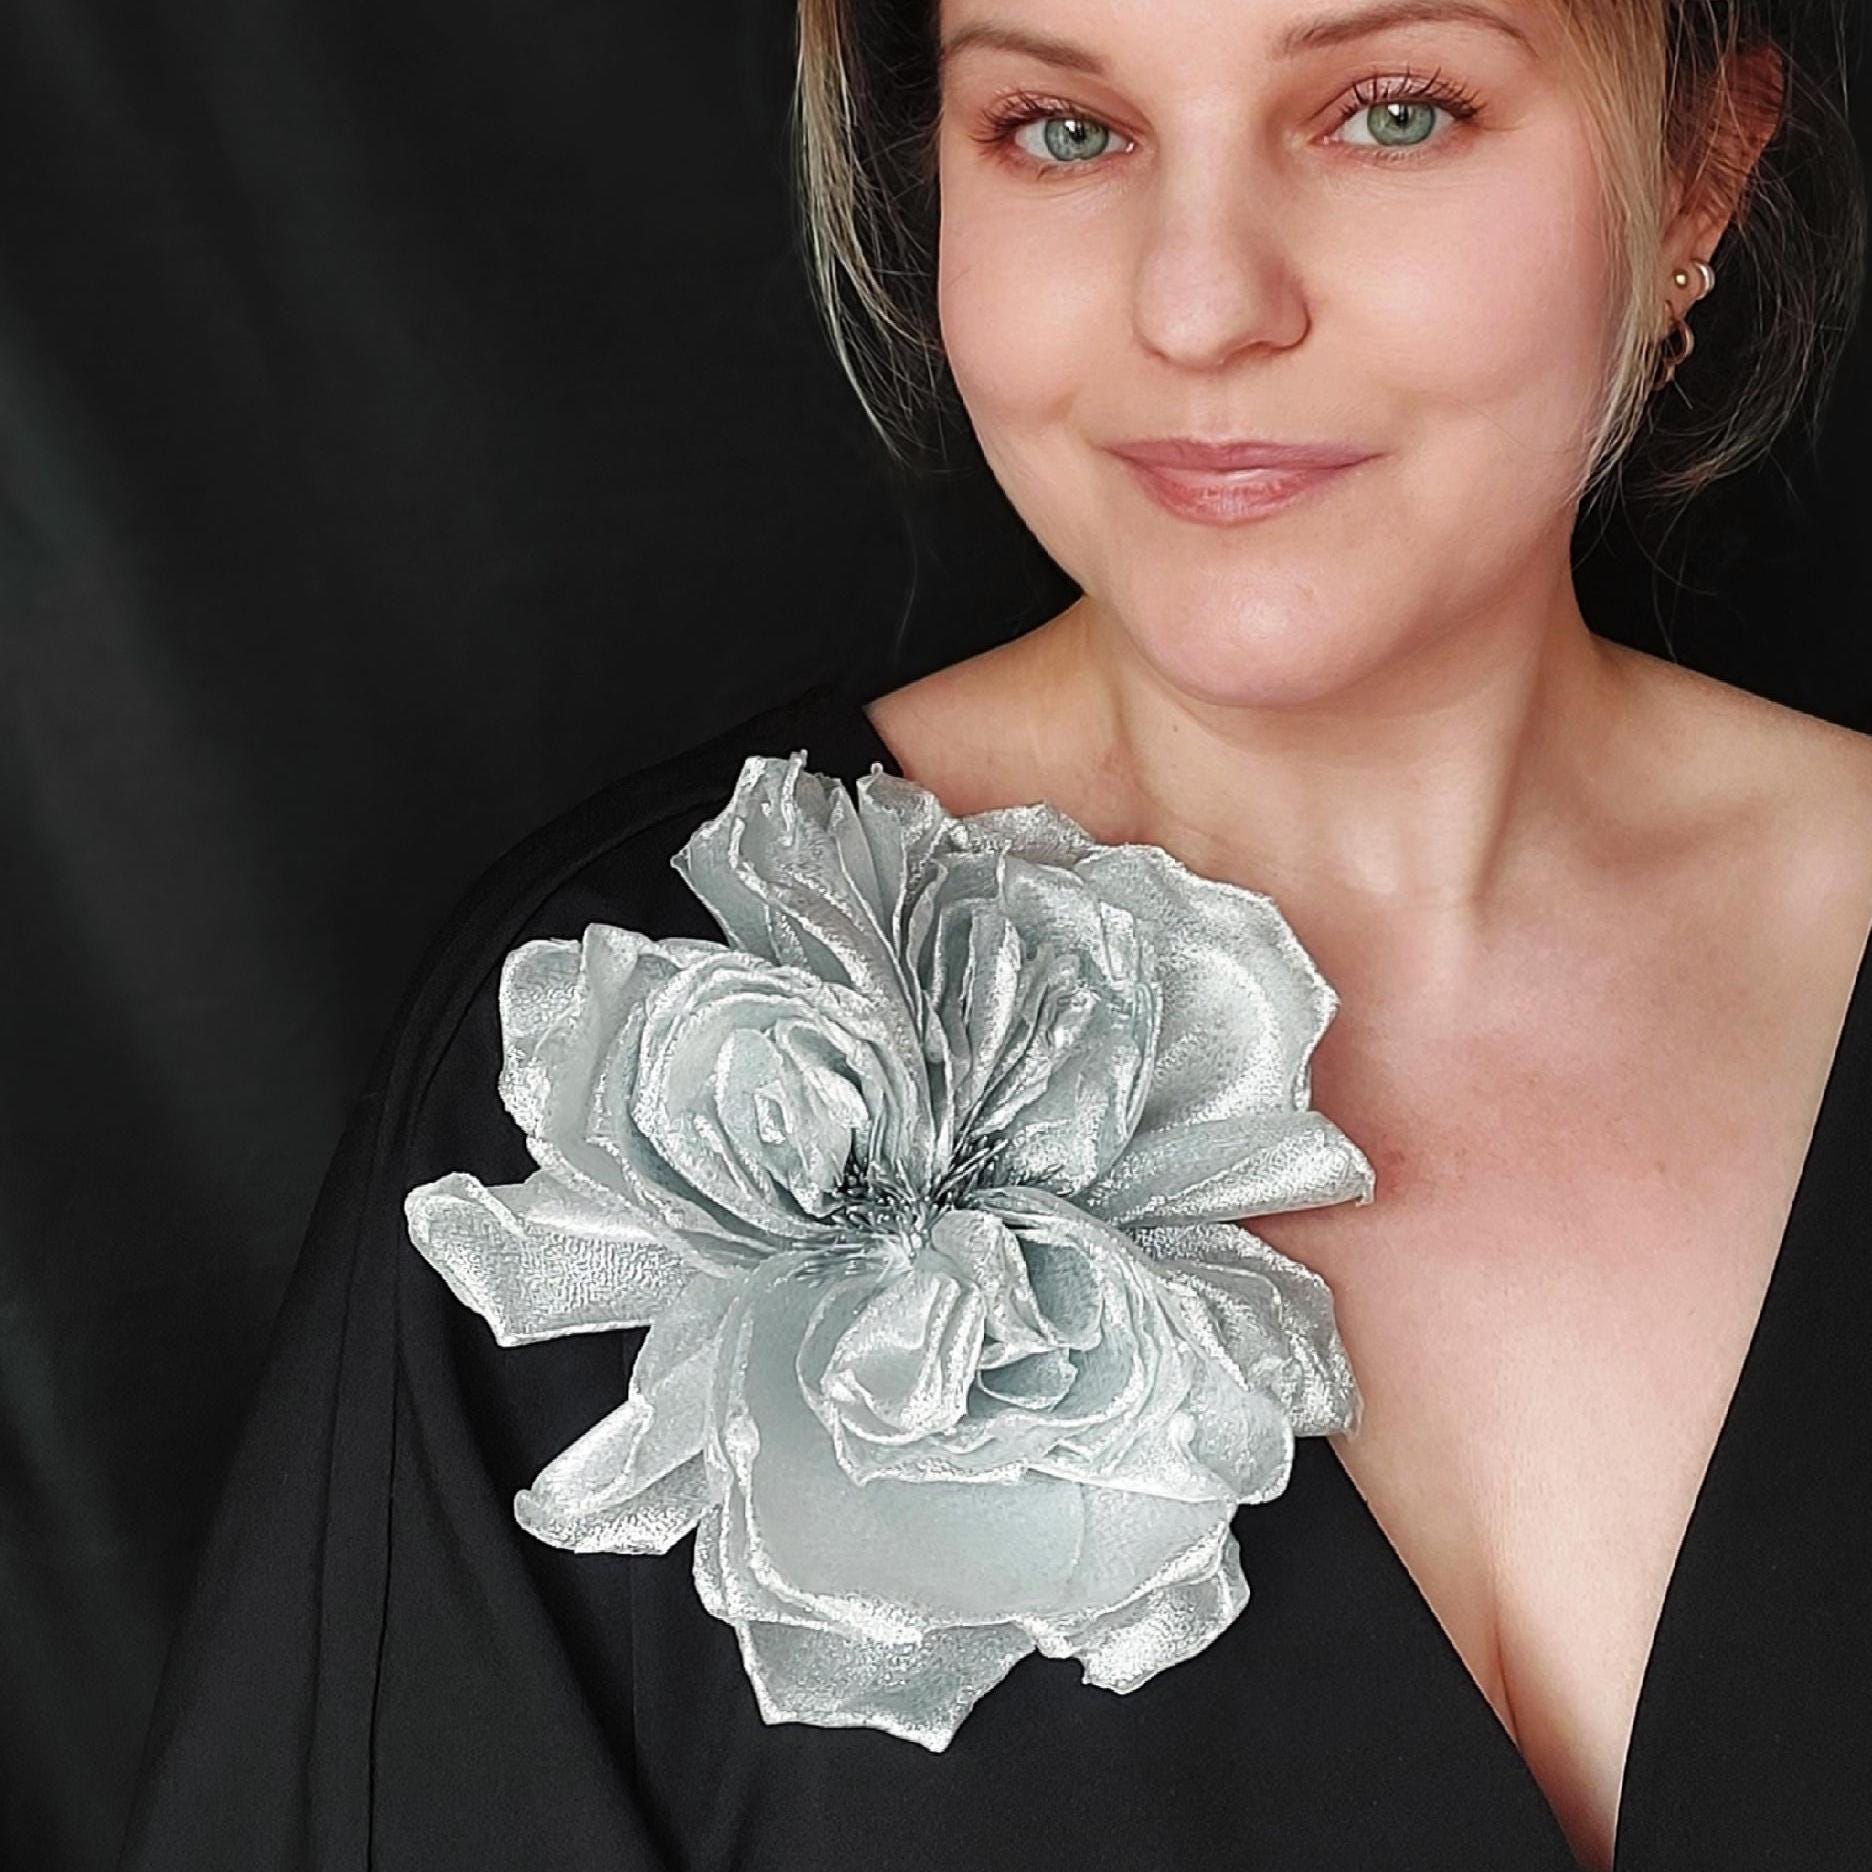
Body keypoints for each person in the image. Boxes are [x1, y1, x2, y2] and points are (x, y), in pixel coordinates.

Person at [119, 2, 1870, 1870]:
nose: (1199, 307)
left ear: (1701, 165)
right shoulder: (604, 1051)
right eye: (1064, 130)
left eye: (1389, 114)